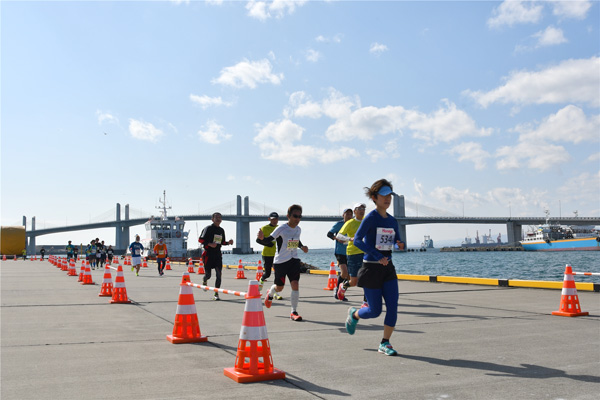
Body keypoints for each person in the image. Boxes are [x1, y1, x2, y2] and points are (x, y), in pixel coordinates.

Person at [345, 179, 405, 356]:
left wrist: (399, 244)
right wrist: (378, 256)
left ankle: (385, 343)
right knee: (374, 311)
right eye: (383, 195)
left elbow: (395, 240)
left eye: (389, 196)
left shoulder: (393, 221)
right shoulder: (370, 218)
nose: (387, 199)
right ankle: (355, 315)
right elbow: (357, 240)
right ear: (374, 197)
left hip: (388, 268)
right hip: (371, 268)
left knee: (393, 306)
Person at [258, 204, 309, 321]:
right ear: (288, 216)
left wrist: (302, 247)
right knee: (279, 288)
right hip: (281, 262)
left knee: (295, 285)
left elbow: (296, 240)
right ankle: (270, 293)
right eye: (295, 216)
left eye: (299, 216)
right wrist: (262, 239)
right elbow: (269, 239)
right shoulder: (281, 228)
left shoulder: (298, 229)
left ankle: (293, 312)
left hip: (294, 260)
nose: (297, 219)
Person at [198, 213, 233, 300]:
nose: (218, 219)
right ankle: (205, 279)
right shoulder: (208, 228)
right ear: (212, 219)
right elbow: (200, 239)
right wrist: (209, 244)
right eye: (216, 217)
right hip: (208, 255)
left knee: (219, 274)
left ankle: (216, 294)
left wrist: (228, 242)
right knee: (208, 275)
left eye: (220, 218)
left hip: (217, 255)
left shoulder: (221, 230)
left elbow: (222, 242)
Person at [336, 203, 366, 302]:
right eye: (359, 208)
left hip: (366, 253)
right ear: (355, 211)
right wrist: (350, 238)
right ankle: (343, 286)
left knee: (367, 278)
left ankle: (366, 301)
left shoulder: (366, 221)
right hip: (353, 253)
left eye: (363, 208)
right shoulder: (350, 223)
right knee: (354, 282)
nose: (362, 210)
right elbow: (339, 236)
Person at [255, 212, 283, 300]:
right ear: (269, 219)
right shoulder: (264, 228)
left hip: (277, 255)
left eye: (276, 219)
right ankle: (261, 281)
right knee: (267, 274)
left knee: (277, 274)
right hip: (267, 254)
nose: (274, 221)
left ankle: (275, 292)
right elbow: (258, 240)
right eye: (272, 219)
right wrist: (268, 244)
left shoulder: (280, 228)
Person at [327, 208, 353, 301]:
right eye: (347, 214)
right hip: (340, 252)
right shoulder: (339, 224)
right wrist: (337, 238)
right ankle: (337, 290)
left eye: (351, 214)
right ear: (343, 215)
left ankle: (341, 292)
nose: (349, 216)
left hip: (350, 252)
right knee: (344, 272)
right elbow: (329, 234)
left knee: (349, 276)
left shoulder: (353, 224)